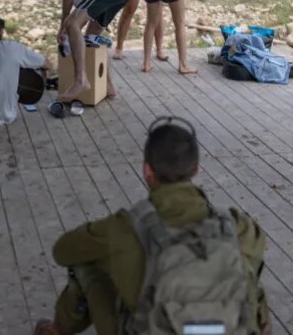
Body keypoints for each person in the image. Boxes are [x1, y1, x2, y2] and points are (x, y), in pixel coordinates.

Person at [33, 117, 271, 335]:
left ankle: (57, 331)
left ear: (147, 171)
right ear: (196, 169)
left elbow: (62, 251)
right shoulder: (237, 226)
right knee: (248, 270)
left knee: (86, 262)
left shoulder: (124, 229)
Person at [41, 0, 132, 102]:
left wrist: (63, 25)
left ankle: (81, 80)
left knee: (72, 24)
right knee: (91, 37)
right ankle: (108, 86)